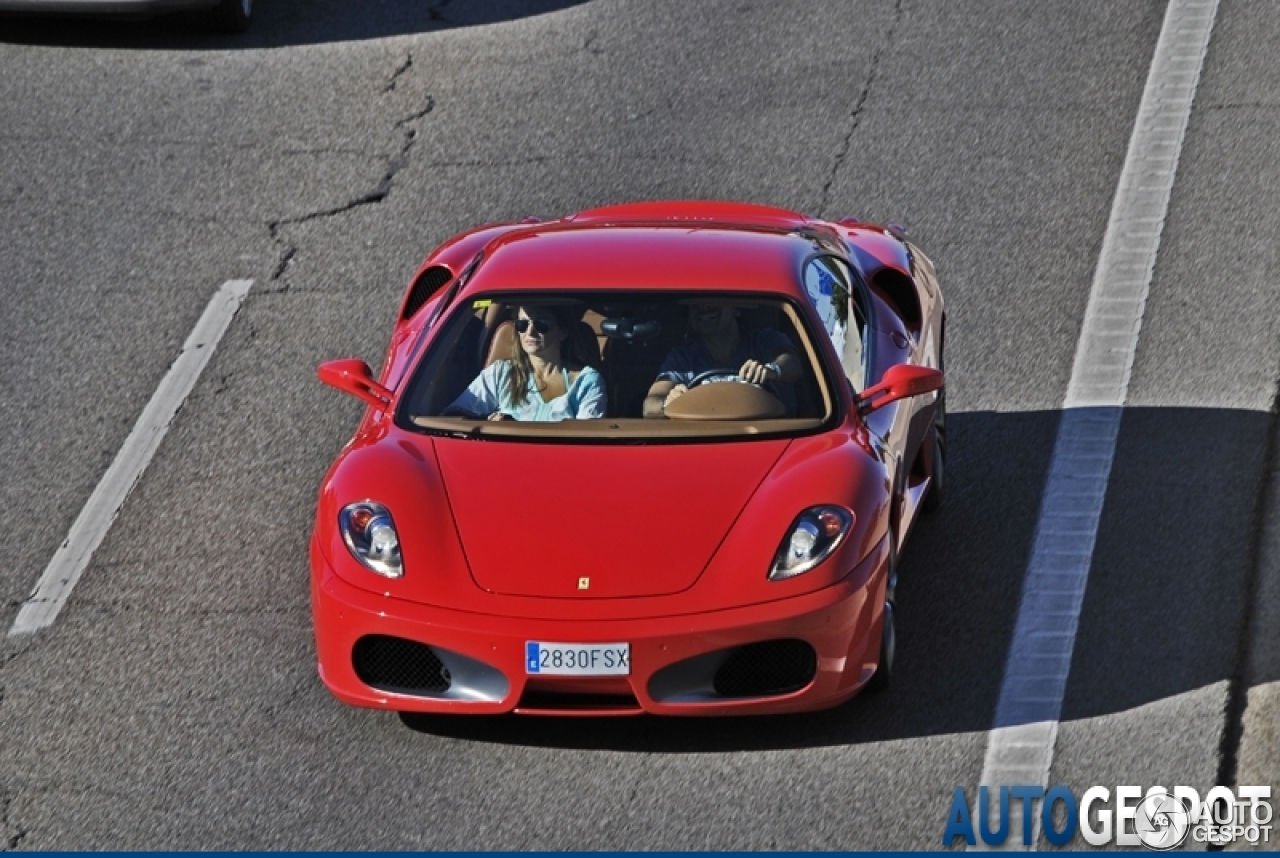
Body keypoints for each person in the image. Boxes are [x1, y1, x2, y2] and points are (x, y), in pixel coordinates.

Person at [642, 301, 802, 419]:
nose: (704, 308)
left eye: (714, 301)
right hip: (701, 441)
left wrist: (772, 370)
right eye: (695, 306)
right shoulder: (682, 359)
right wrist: (667, 403)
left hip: (771, 436)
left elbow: (792, 363)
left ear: (735, 309)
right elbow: (650, 406)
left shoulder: (764, 341)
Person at [449, 305, 607, 421]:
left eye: (541, 324)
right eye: (522, 325)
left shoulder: (586, 382)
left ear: (562, 332)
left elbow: (585, 447)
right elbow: (456, 418)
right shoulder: (500, 374)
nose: (530, 332)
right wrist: (490, 427)